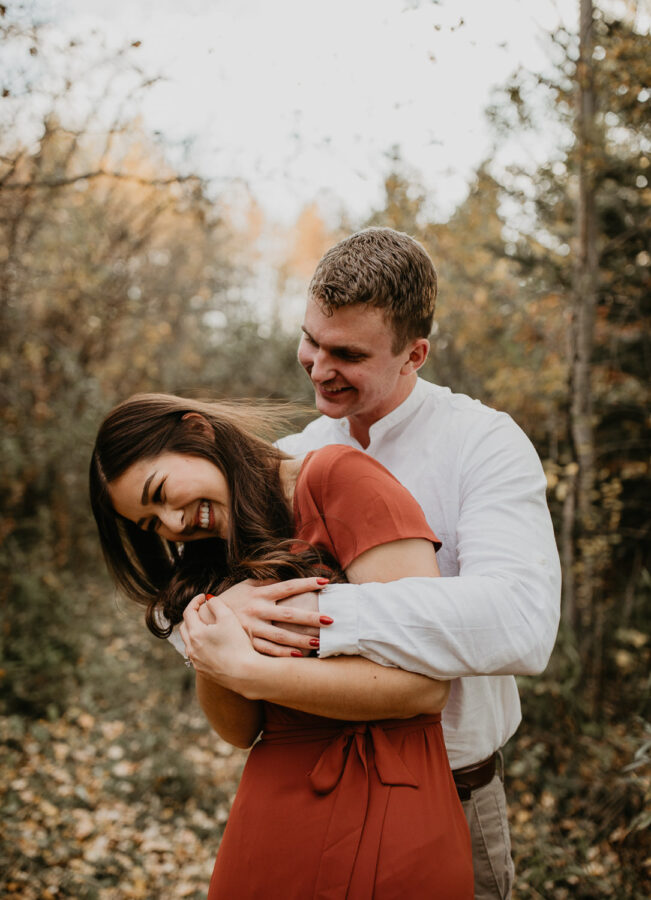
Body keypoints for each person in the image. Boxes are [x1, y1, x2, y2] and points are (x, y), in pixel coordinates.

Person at [194, 227, 562, 900]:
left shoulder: (481, 443)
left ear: (413, 354)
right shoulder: (295, 457)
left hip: (453, 790)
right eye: (311, 340)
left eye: (347, 353)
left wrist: (311, 616)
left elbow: (520, 622)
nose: (317, 365)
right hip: (308, 786)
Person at [89, 393, 474, 898]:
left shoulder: (338, 480)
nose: (174, 524)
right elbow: (239, 730)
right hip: (270, 811)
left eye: (161, 492)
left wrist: (250, 672)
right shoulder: (209, 557)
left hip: (388, 791)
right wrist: (212, 628)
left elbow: (424, 689)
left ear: (197, 431)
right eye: (152, 523)